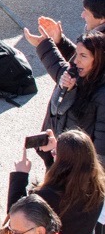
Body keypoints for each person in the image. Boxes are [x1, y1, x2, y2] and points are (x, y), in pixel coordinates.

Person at [31, 20, 105, 152]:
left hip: (80, 167)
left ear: (98, 59)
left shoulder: (102, 95)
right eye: (76, 54)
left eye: (83, 56)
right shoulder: (76, 76)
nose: (76, 61)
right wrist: (66, 91)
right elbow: (57, 112)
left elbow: (101, 149)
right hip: (62, 156)